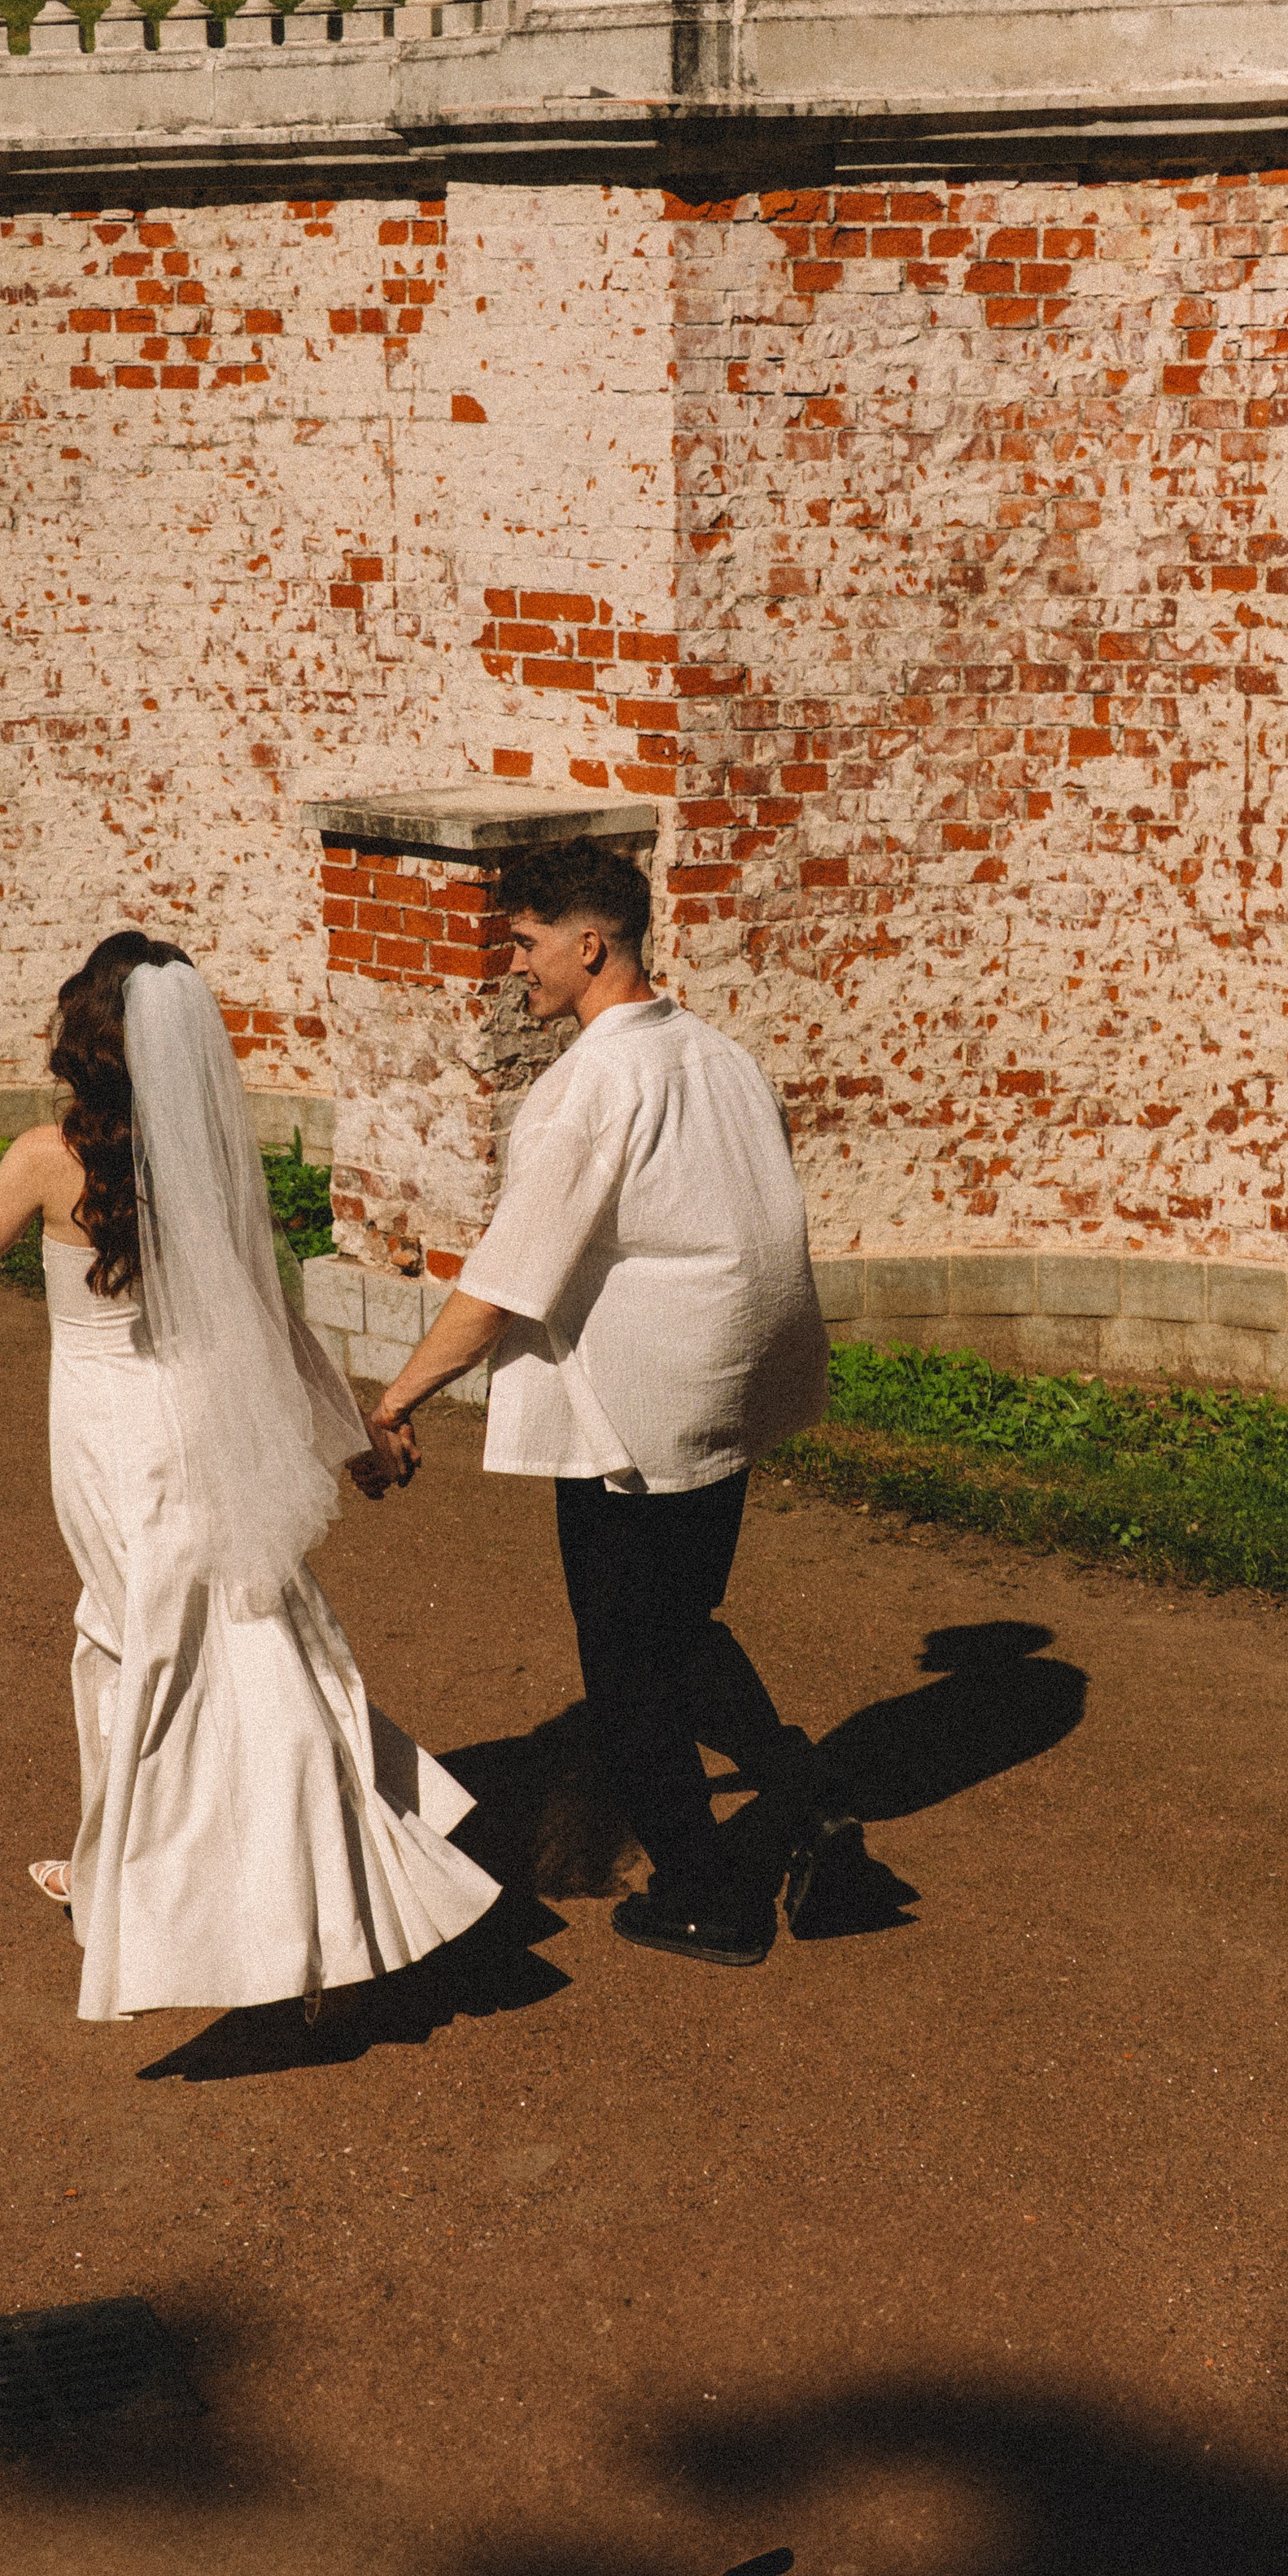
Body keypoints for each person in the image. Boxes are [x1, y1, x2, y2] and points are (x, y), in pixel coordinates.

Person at [0, 932, 500, 2024]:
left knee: (152, 1650)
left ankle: (225, 1905)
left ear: (84, 1036)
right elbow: (276, 1320)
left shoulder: (47, 1158)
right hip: (197, 1425)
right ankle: (164, 1877)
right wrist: (355, 1438)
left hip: (106, 1439)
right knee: (217, 1637)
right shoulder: (214, 1157)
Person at [365, 841, 843, 1968]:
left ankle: (704, 1890)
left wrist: (398, 1398)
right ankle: (803, 1786)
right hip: (726, 1394)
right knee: (683, 1626)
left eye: (525, 943)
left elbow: (503, 1283)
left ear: (593, 945)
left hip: (638, 1410)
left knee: (626, 1660)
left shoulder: (588, 1087)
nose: (511, 966)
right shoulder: (717, 1053)